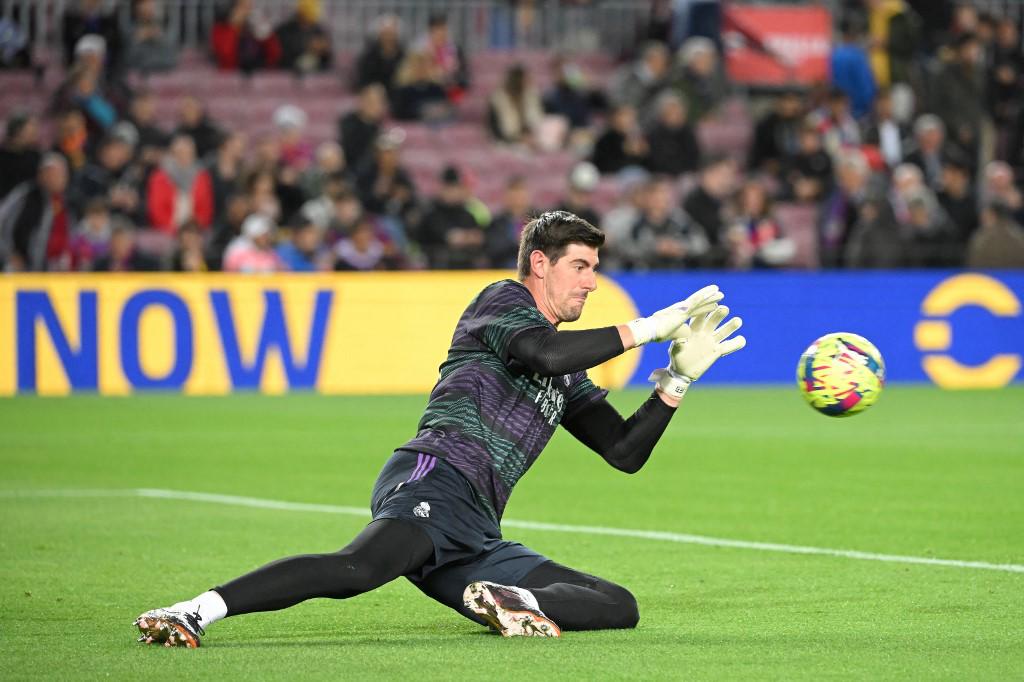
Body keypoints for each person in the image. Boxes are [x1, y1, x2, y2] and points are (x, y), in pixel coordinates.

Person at [134, 210, 745, 647]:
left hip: (477, 526)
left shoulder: (565, 368)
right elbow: (544, 354)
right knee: (357, 571)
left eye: (594, 268)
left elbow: (622, 451)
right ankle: (194, 610)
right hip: (436, 476)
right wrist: (646, 328)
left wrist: (675, 382)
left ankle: (510, 602)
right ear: (540, 264)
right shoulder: (501, 302)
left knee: (618, 606)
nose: (590, 280)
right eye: (581, 266)